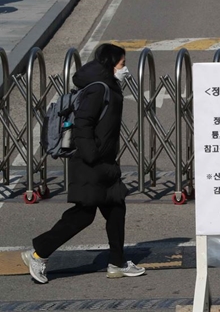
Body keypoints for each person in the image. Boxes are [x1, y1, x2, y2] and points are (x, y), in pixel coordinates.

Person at [22, 43, 145, 284]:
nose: (125, 68)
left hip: (104, 162)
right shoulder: (98, 90)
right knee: (82, 215)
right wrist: (92, 157)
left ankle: (117, 262)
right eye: (122, 64)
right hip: (91, 163)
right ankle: (38, 254)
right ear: (110, 65)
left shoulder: (109, 86)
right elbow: (83, 123)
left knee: (117, 208)